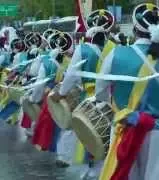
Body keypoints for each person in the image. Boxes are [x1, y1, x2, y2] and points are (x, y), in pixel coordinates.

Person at [97, 3, 159, 180]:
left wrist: (119, 111)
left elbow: (100, 91)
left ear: (134, 30)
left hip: (124, 128)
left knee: (125, 174)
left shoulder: (115, 55)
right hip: (157, 131)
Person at [51, 9, 115, 180]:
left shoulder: (83, 49)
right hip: (111, 100)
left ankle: (89, 170)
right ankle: (100, 170)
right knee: (105, 137)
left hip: (89, 98)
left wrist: (62, 93)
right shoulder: (115, 48)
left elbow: (71, 75)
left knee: (88, 134)